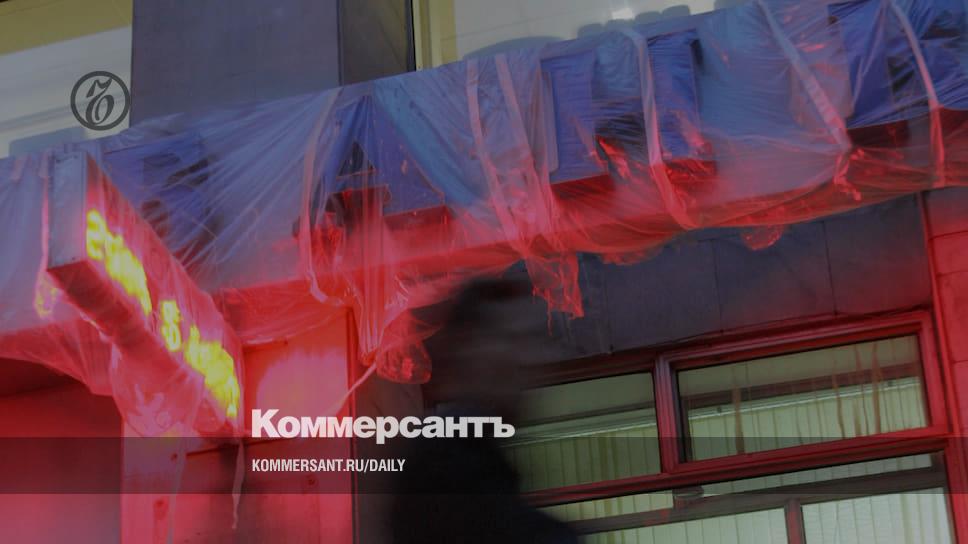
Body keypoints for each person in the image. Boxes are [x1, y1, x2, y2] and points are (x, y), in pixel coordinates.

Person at [389, 278, 578, 543]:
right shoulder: (447, 460)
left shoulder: (469, 452)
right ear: (468, 349)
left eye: (533, 341)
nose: (530, 359)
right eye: (513, 339)